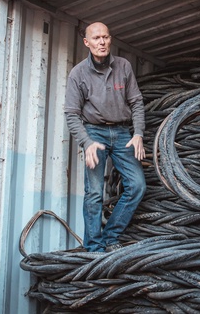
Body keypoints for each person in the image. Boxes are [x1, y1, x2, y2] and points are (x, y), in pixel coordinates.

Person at [64, 22, 146, 253]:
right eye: (97, 38)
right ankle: (94, 247)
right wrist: (86, 142)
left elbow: (136, 102)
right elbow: (71, 114)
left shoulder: (123, 66)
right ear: (87, 43)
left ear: (111, 40)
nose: (102, 42)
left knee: (137, 185)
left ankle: (111, 236)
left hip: (122, 133)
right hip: (94, 133)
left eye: (106, 37)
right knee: (94, 192)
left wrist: (138, 132)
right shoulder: (78, 74)